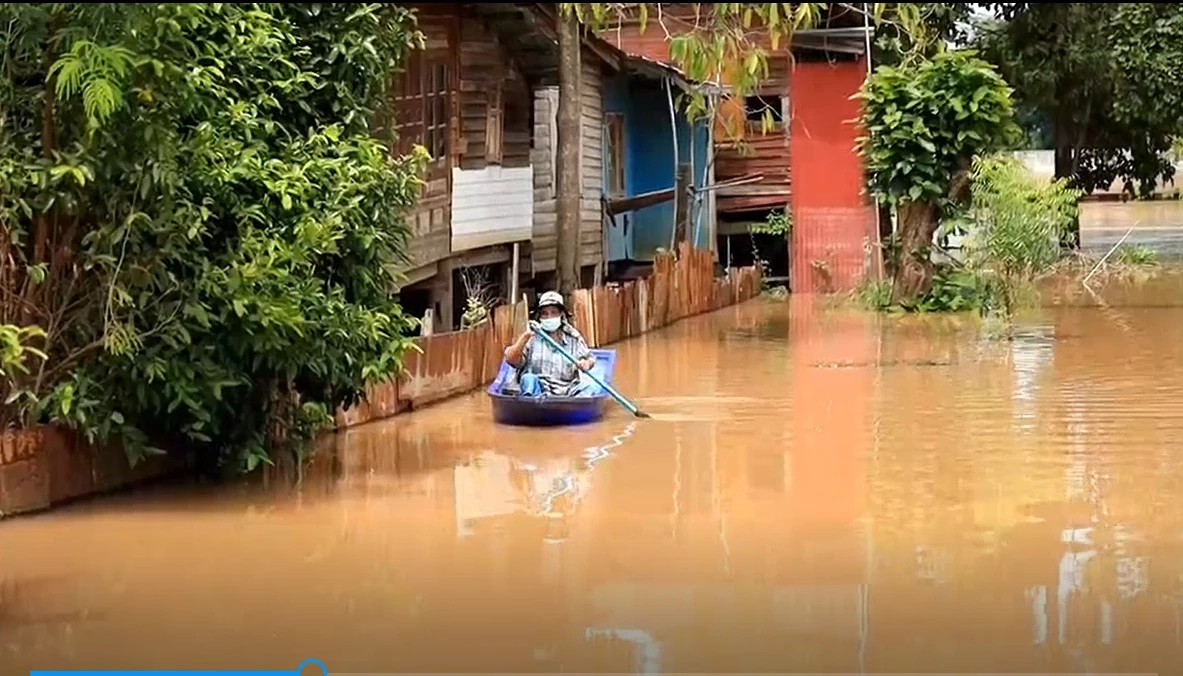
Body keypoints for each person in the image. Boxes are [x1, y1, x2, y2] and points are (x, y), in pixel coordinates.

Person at [503, 291, 599, 397]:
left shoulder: (573, 338)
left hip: (567, 390)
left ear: (561, 314)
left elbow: (590, 359)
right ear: (540, 317)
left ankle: (570, 408)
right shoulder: (532, 337)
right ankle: (535, 408)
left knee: (590, 388)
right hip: (539, 389)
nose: (549, 317)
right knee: (528, 379)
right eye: (545, 314)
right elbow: (511, 359)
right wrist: (524, 337)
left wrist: (585, 364)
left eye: (554, 312)